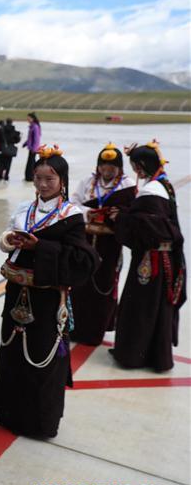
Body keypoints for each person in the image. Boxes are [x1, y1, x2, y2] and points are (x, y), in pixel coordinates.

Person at [0, 145, 97, 438]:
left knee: (41, 354)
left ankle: (37, 420)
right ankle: (7, 410)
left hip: (46, 296)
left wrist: (41, 247)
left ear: (62, 180)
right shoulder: (26, 209)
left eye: (49, 179)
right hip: (16, 292)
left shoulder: (71, 216)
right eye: (38, 178)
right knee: (12, 352)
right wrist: (9, 239)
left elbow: (83, 259)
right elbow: (5, 241)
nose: (42, 184)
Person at [110, 141, 186, 371]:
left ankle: (133, 355)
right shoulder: (164, 185)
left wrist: (120, 218)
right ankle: (156, 356)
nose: (136, 172)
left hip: (150, 260)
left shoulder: (151, 191)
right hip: (165, 260)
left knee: (141, 308)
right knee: (157, 307)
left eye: (136, 166)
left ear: (142, 166)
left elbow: (147, 227)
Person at [68, 144, 136, 345]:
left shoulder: (127, 185)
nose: (107, 170)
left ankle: (95, 330)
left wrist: (117, 215)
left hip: (110, 244)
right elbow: (72, 204)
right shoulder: (87, 182)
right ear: (98, 166)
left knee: (104, 285)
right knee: (81, 284)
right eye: (103, 166)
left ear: (119, 168)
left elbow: (131, 212)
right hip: (86, 239)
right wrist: (88, 213)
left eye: (112, 167)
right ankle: (75, 327)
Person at [23, 112, 42, 182]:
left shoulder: (35, 127)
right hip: (31, 148)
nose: (27, 119)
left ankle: (30, 177)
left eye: (28, 118)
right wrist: (25, 143)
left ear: (32, 119)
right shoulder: (32, 126)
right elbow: (30, 138)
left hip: (33, 148)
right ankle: (28, 177)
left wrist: (34, 149)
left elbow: (36, 139)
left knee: (31, 164)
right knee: (30, 163)